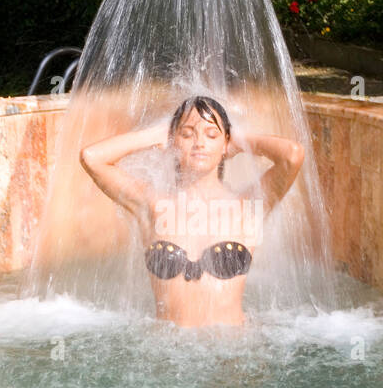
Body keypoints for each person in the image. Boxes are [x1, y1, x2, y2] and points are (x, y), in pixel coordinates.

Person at [79, 95, 304, 327]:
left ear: (225, 142)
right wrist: (155, 136)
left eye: (211, 134)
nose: (199, 143)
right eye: (187, 134)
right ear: (173, 141)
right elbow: (92, 158)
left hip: (231, 351)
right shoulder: (153, 206)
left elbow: (292, 155)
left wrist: (240, 140)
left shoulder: (246, 208)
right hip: (170, 353)